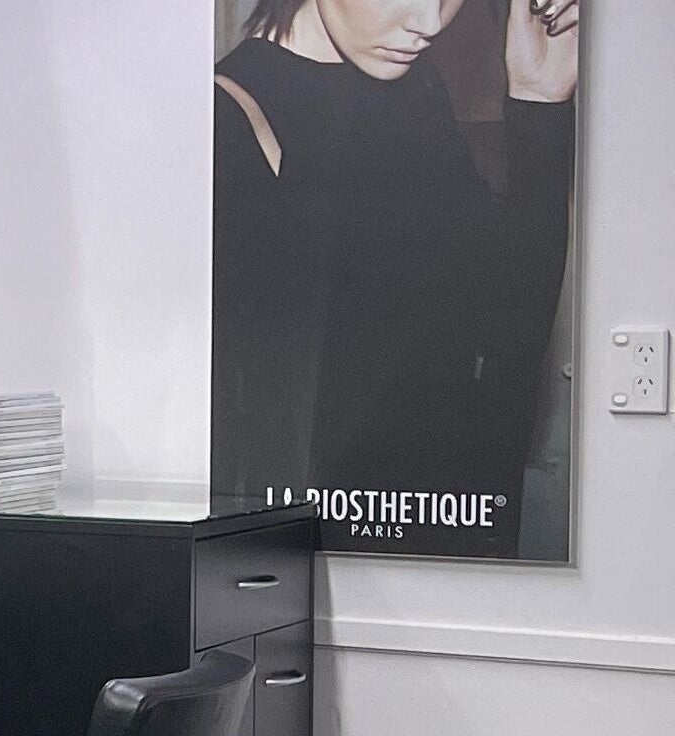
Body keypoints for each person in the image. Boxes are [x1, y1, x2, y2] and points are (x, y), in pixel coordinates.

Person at [212, 0, 580, 551]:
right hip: (318, 568)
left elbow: (509, 329)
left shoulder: (415, 93)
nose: (429, 24)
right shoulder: (226, 116)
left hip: (452, 542)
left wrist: (539, 102)